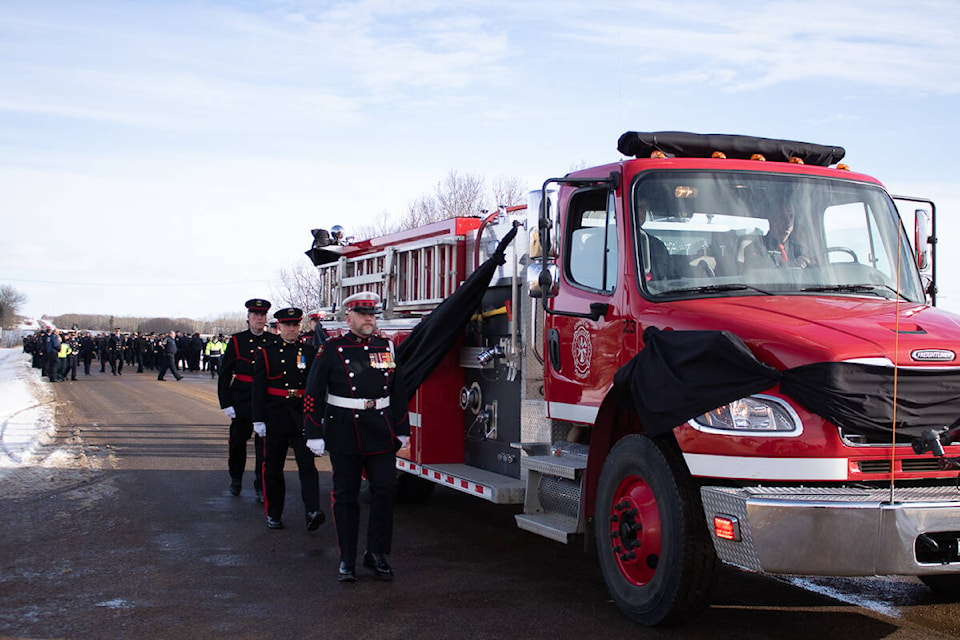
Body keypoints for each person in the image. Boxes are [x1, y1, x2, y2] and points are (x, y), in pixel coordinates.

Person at [303, 291, 410, 582]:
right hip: (344, 430)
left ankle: (376, 553)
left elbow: (398, 391)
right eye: (363, 314)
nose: (368, 319)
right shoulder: (332, 349)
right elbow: (313, 392)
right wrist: (313, 431)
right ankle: (346, 558)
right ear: (348, 317)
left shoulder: (386, 346)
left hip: (380, 429)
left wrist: (402, 429)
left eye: (372, 315)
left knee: (385, 491)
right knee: (346, 497)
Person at [252, 308, 323, 531]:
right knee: (273, 467)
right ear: (279, 327)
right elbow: (258, 388)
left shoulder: (309, 352)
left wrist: (316, 419)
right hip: (276, 414)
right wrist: (258, 419)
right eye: (287, 325)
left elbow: (316, 387)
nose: (292, 329)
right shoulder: (266, 352)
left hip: (301, 413)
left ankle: (312, 511)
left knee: (307, 465)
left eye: (296, 325)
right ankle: (274, 512)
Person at [219, 298, 276, 500]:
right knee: (237, 443)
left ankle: (260, 484)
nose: (260, 318)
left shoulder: (273, 340)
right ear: (248, 318)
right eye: (255, 315)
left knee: (264, 447)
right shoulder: (237, 340)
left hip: (265, 400)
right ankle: (236, 478)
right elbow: (225, 373)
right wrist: (226, 403)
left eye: (262, 315)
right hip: (241, 397)